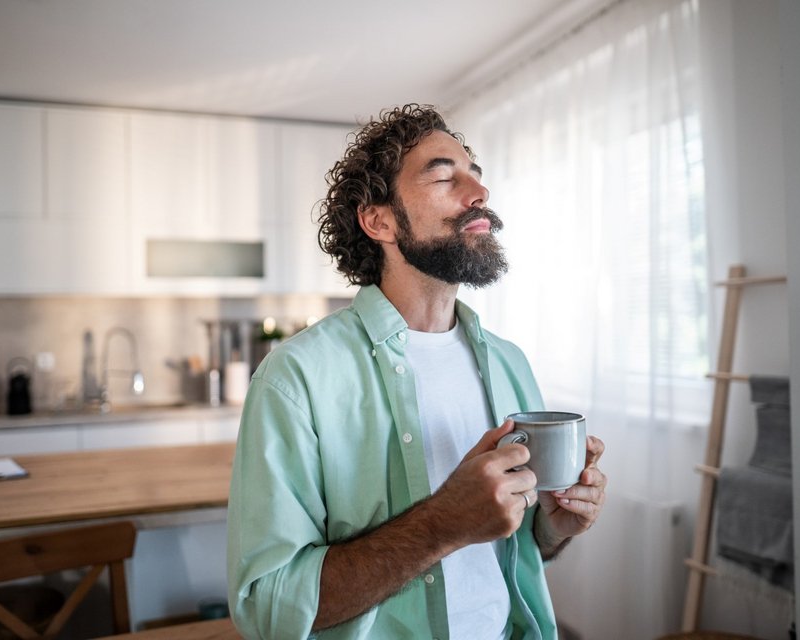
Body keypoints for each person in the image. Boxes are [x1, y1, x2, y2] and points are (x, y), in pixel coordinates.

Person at [227, 104, 607, 640]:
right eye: (444, 175)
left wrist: (554, 527)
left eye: (475, 173)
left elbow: (508, 554)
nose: (478, 192)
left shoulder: (508, 362)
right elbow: (268, 611)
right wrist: (442, 524)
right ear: (379, 220)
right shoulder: (296, 378)